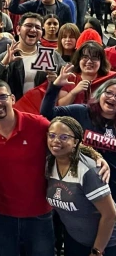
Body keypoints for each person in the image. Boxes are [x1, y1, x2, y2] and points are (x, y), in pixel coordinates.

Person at [0, 79, 110, 256]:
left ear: (12, 99)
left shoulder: (37, 124)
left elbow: (67, 139)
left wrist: (97, 156)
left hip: (39, 216)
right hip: (2, 215)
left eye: (2, 97)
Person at [45, 116, 116, 256]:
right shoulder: (50, 163)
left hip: (106, 246)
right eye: (52, 135)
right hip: (77, 242)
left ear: (76, 141)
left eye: (64, 137)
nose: (55, 141)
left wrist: (97, 252)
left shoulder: (89, 171)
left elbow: (110, 215)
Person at [41, 64, 116, 194]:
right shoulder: (82, 111)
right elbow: (47, 114)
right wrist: (55, 86)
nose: (113, 98)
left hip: (110, 187)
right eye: (108, 93)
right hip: (76, 184)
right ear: (100, 93)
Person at [0, 13, 64, 100]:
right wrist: (4, 65)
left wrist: (56, 82)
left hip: (41, 109)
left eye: (38, 27)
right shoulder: (4, 57)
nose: (33, 30)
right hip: (15, 109)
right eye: (29, 25)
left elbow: (67, 81)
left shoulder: (52, 56)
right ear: (18, 29)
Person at [55, 41, 115, 106]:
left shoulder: (111, 78)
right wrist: (74, 92)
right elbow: (60, 106)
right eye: (85, 57)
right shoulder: (69, 77)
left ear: (101, 62)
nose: (89, 61)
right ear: (79, 60)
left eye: (94, 58)